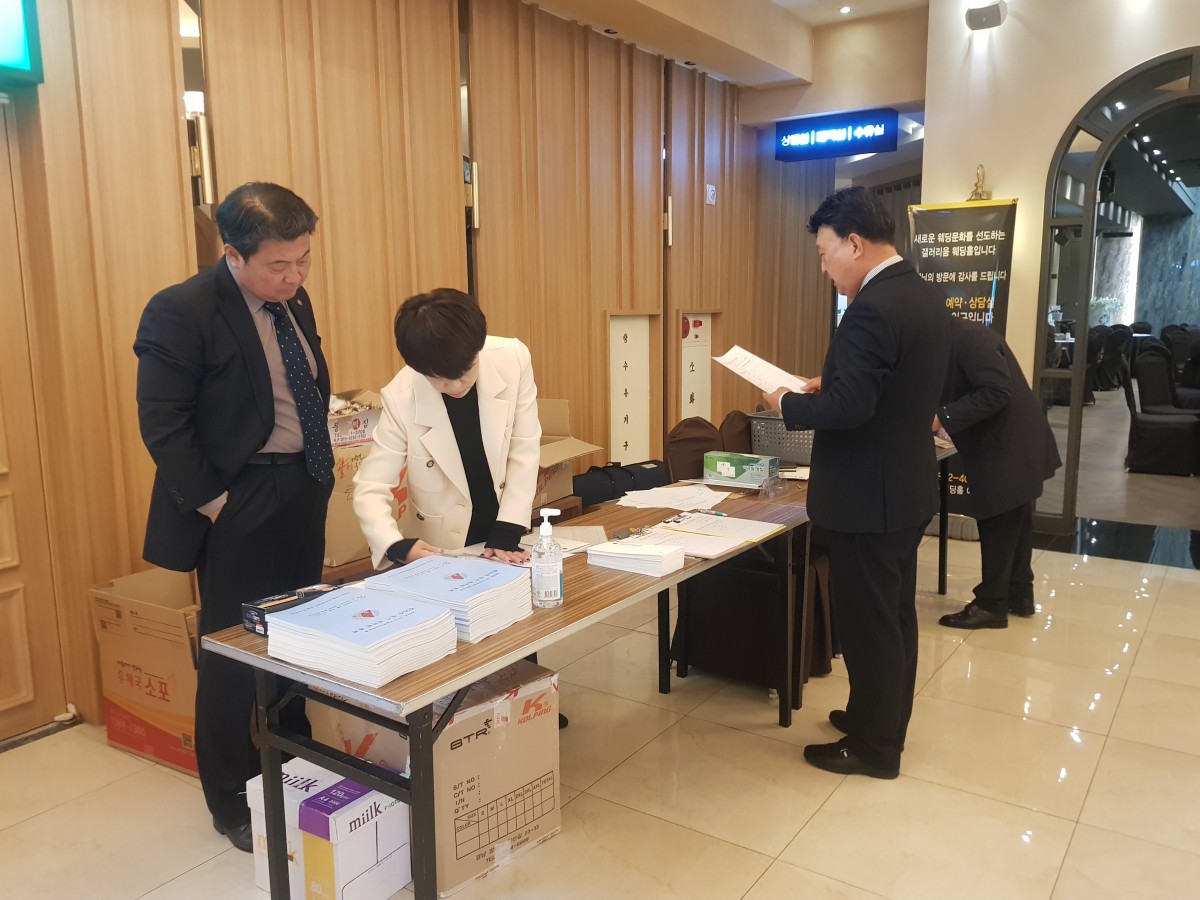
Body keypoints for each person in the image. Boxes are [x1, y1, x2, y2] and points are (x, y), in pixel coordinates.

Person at [134, 182, 332, 851]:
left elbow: (300, 387)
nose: (295, 275)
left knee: (300, 634)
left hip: (303, 486)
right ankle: (232, 798)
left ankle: (296, 758)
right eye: (279, 265)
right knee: (231, 654)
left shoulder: (293, 298)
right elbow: (163, 425)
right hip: (238, 499)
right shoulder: (181, 310)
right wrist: (218, 505)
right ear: (233, 254)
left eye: (304, 259)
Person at [763, 186, 950, 780]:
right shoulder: (920, 293)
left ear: (854, 243)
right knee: (893, 615)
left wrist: (786, 401)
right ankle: (879, 719)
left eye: (824, 254)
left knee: (871, 624)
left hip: (870, 497)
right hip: (905, 486)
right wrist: (837, 381)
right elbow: (893, 386)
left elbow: (851, 410)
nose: (823, 268)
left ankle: (875, 748)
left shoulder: (871, 307)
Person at [352, 288, 541, 569]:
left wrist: (510, 525)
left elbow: (524, 444)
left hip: (505, 534)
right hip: (442, 550)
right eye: (437, 378)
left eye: (465, 372)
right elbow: (372, 485)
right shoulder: (400, 396)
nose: (454, 386)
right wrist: (393, 544)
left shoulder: (513, 359)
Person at [935, 315, 1062, 629]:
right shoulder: (954, 335)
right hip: (1012, 443)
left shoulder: (968, 338)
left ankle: (991, 605)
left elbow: (996, 391)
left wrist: (943, 417)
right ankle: (1019, 594)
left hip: (1008, 445)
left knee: (999, 523)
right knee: (1015, 524)